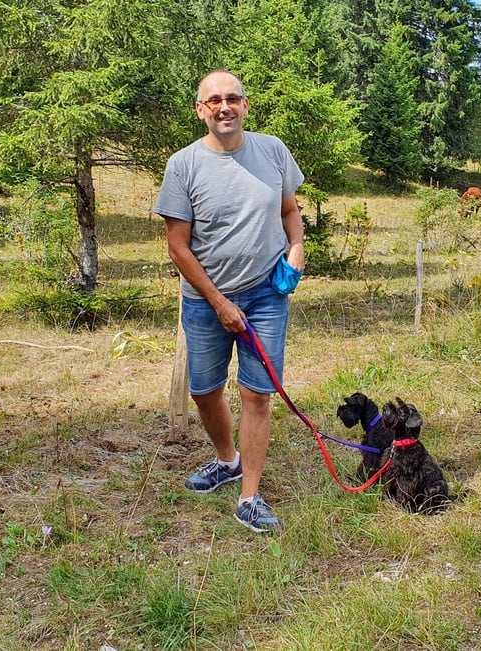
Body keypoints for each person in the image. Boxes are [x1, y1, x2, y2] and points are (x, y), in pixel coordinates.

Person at [154, 70, 305, 533]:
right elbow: (177, 246)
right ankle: (227, 460)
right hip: (204, 300)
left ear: (245, 105)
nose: (225, 107)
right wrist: (219, 302)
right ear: (200, 109)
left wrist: (297, 248)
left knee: (257, 395)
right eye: (214, 100)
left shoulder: (273, 150)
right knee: (204, 390)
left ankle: (250, 498)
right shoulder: (183, 165)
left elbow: (289, 210)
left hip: (265, 294)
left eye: (233, 98)